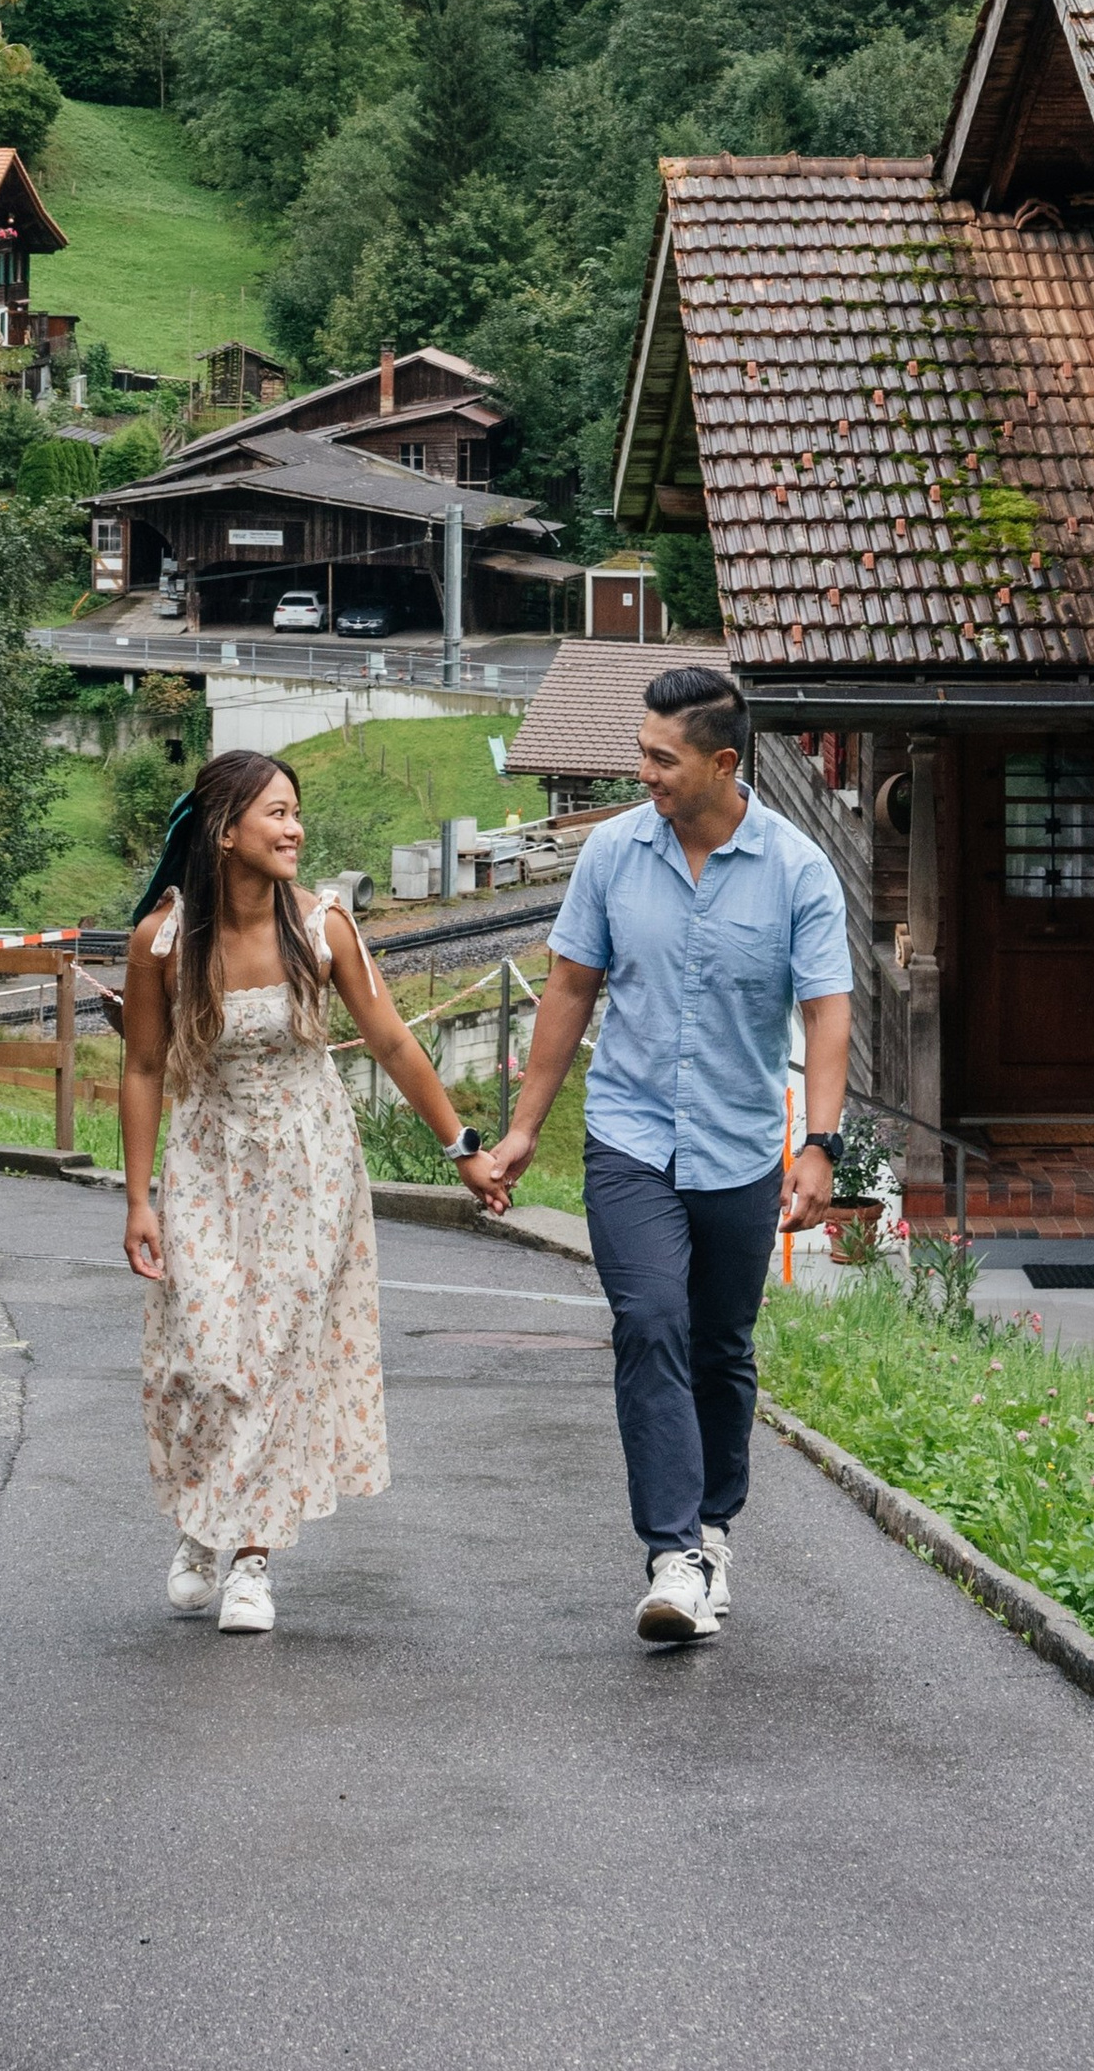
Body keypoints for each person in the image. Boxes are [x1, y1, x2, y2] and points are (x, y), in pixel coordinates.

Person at [479, 660, 853, 1646]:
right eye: (638, 751)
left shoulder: (795, 870)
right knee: (649, 1321)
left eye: (659, 757)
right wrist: (522, 1129)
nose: (640, 771)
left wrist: (820, 1147)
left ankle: (713, 1527)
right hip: (630, 1140)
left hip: (737, 1149)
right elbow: (567, 990)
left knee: (721, 1347)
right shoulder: (610, 855)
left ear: (721, 763)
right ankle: (672, 1552)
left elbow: (826, 1013)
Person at [118, 747, 509, 1634]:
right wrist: (139, 1198)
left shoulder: (324, 927)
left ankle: (251, 1556)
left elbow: (397, 1045)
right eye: (277, 814)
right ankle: (201, 1520)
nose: (296, 830)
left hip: (309, 1167)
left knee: (276, 1359)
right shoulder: (164, 941)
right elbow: (143, 1069)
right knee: (206, 1359)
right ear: (225, 832)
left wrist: (464, 1149)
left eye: (297, 812)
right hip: (205, 1162)